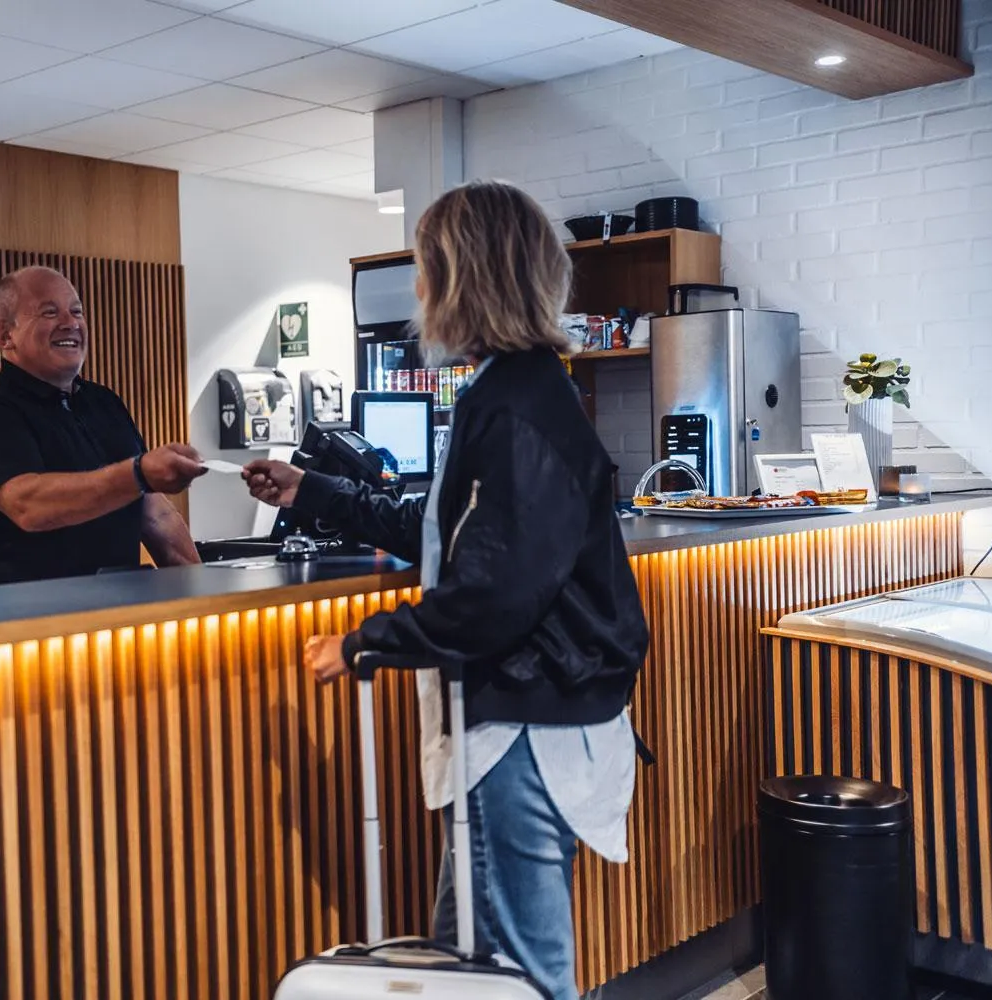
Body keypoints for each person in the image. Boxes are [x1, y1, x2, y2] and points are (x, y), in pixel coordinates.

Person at [243, 180, 649, 1000]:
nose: (419, 296)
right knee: (472, 958)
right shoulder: (517, 393)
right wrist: (309, 491)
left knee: (514, 976)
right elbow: (442, 531)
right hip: (532, 719)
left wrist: (363, 641)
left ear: (463, 278)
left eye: (426, 272)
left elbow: (492, 596)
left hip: (523, 730)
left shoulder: (518, 408)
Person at [0, 265, 205, 589]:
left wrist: (204, 592)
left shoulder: (104, 403)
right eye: (49, 313)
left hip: (103, 617)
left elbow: (155, 515)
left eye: (76, 311)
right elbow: (30, 506)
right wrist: (137, 474)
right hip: (4, 625)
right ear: (5, 336)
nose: (70, 323)